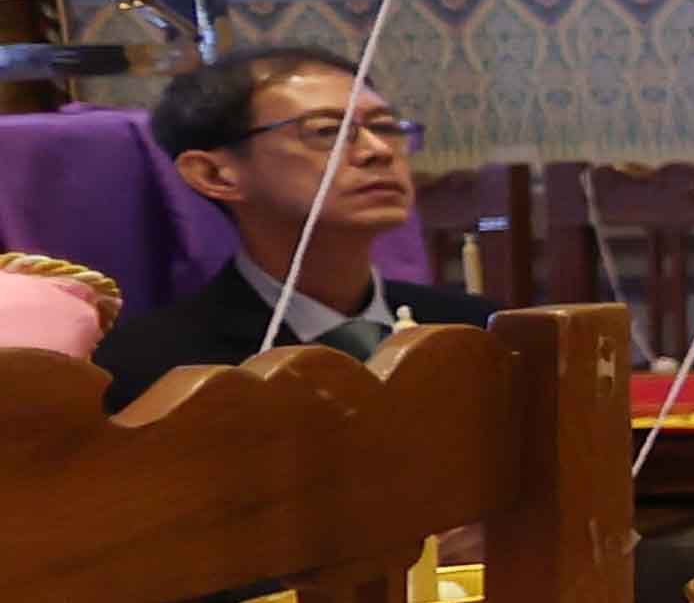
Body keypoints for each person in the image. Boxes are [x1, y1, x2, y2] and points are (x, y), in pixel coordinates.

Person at [95, 49, 487, 402]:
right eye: (326, 131)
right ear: (215, 173)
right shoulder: (155, 369)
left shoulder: (480, 331)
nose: (378, 151)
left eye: (385, 127)